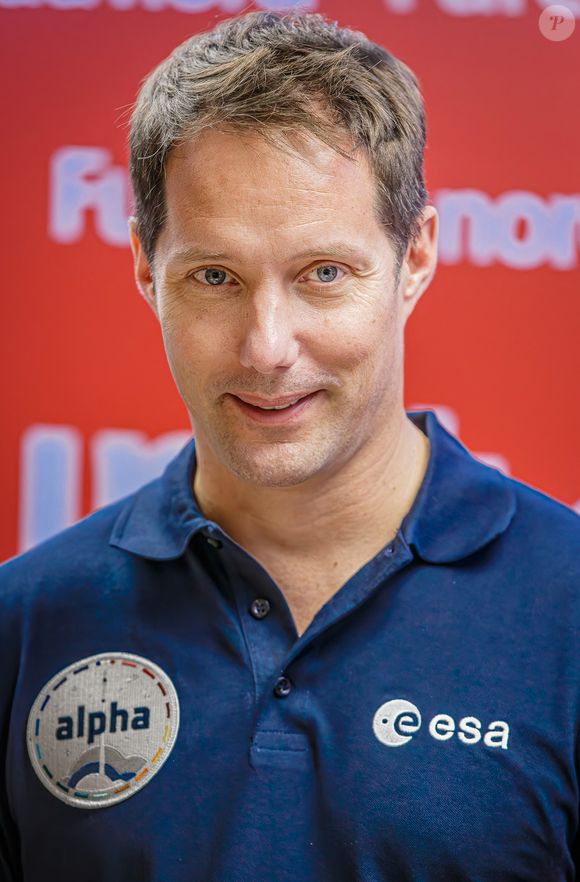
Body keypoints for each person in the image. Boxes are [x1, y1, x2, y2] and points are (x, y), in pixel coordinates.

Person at [0, 10, 578, 882]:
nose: (267, 346)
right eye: (215, 277)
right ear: (146, 268)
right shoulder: (24, 624)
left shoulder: (567, 611)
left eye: (324, 274)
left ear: (417, 256)